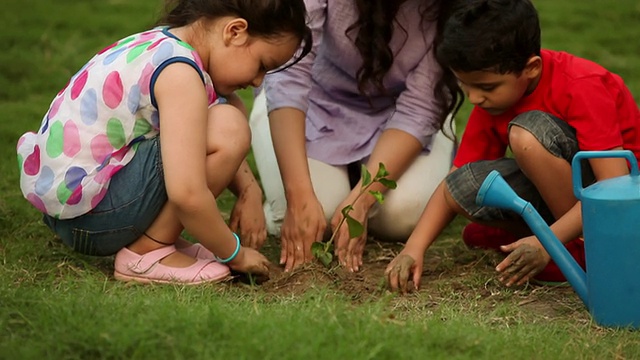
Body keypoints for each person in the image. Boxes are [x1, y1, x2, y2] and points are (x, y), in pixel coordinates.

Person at [16, 0, 312, 285]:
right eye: (262, 65)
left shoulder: (164, 45)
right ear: (234, 32)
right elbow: (188, 193)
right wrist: (234, 253)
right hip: (92, 218)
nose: (259, 81)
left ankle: (158, 240)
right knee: (229, 126)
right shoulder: (180, 74)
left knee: (228, 111)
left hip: (72, 208)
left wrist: (248, 188)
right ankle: (148, 252)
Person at [385, 0, 640, 293]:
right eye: (465, 86)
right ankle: (549, 241)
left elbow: (614, 188)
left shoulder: (583, 85)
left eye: (486, 87)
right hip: (571, 200)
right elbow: (454, 184)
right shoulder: (492, 103)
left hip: (622, 204)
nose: (475, 99)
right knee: (466, 188)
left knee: (526, 135)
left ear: (531, 68)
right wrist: (414, 247)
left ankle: (578, 252)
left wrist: (548, 243)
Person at [249, 0, 464, 272]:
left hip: (399, 113)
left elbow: (419, 108)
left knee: (402, 216)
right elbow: (289, 74)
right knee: (316, 215)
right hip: (314, 101)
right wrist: (298, 195)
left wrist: (363, 198)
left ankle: (354, 182)